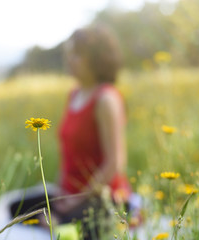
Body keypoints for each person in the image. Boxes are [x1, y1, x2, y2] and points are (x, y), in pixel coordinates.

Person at [53, 25, 132, 239]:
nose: (69, 60)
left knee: (64, 224)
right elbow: (67, 154)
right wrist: (60, 193)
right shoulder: (74, 94)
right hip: (70, 193)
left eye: (77, 55)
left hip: (102, 197)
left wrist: (75, 200)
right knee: (21, 207)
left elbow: (114, 164)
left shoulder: (106, 99)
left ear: (98, 59)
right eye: (69, 54)